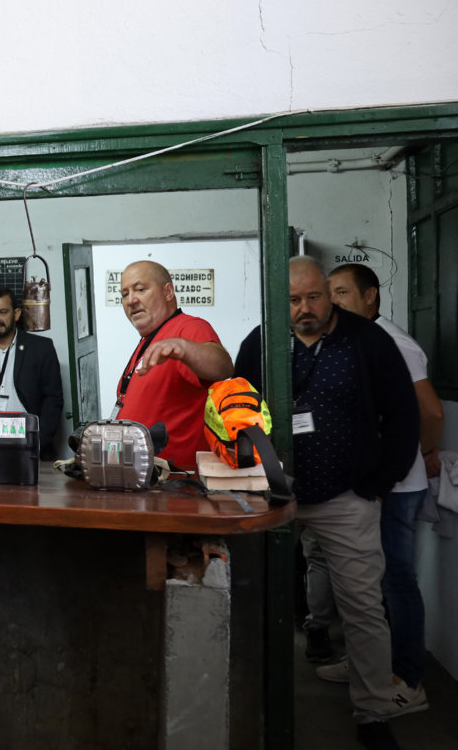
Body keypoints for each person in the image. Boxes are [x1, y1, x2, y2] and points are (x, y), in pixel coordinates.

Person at [234, 256, 422, 750]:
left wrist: (379, 481)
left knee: (363, 607)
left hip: (346, 496)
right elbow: (234, 409)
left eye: (314, 297)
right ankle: (249, 703)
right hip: (274, 494)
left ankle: (374, 711)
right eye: (294, 300)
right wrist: (246, 477)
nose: (305, 308)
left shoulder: (367, 340)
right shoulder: (260, 341)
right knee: (253, 600)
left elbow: (404, 414)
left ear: (328, 292)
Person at [300, 264, 445, 694]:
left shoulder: (393, 342)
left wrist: (422, 453)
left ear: (370, 296)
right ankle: (372, 667)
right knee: (370, 584)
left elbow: (431, 413)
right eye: (329, 293)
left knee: (395, 581)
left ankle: (407, 679)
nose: (333, 301)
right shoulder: (348, 341)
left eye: (342, 292)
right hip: (373, 485)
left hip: (395, 488)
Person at [113, 260, 232, 470]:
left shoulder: (189, 328)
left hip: (175, 480)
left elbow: (222, 368)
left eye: (140, 289)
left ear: (168, 292)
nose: (131, 300)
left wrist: (184, 347)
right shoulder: (150, 338)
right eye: (124, 294)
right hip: (140, 476)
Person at [0, 287, 64, 459]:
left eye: (2, 312)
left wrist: (37, 444)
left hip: (26, 445)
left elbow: (53, 400)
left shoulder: (41, 348)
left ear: (16, 314)